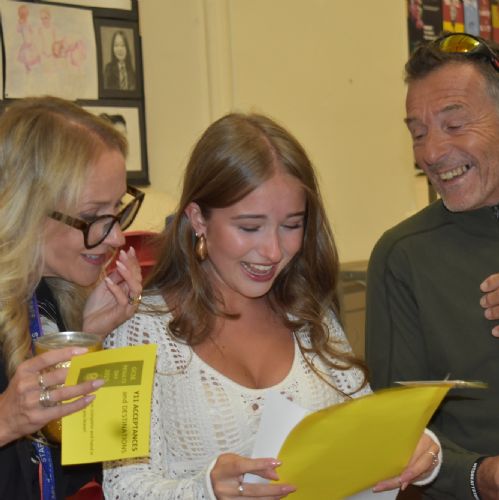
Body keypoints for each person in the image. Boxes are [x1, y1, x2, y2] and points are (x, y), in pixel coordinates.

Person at [103, 113, 441, 499]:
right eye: (249, 227)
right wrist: (206, 491)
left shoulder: (310, 317)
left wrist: (419, 449)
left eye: (292, 225)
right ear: (198, 219)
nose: (273, 251)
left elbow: (367, 434)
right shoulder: (131, 329)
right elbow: (121, 488)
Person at [365, 33, 499, 499]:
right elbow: (394, 432)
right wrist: (480, 476)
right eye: (418, 133)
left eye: (454, 124)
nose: (432, 153)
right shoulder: (404, 256)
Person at [0, 96, 144, 499]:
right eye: (94, 216)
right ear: (28, 210)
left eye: (117, 208)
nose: (116, 237)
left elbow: (81, 474)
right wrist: (5, 421)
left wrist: (88, 336)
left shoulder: (48, 296)